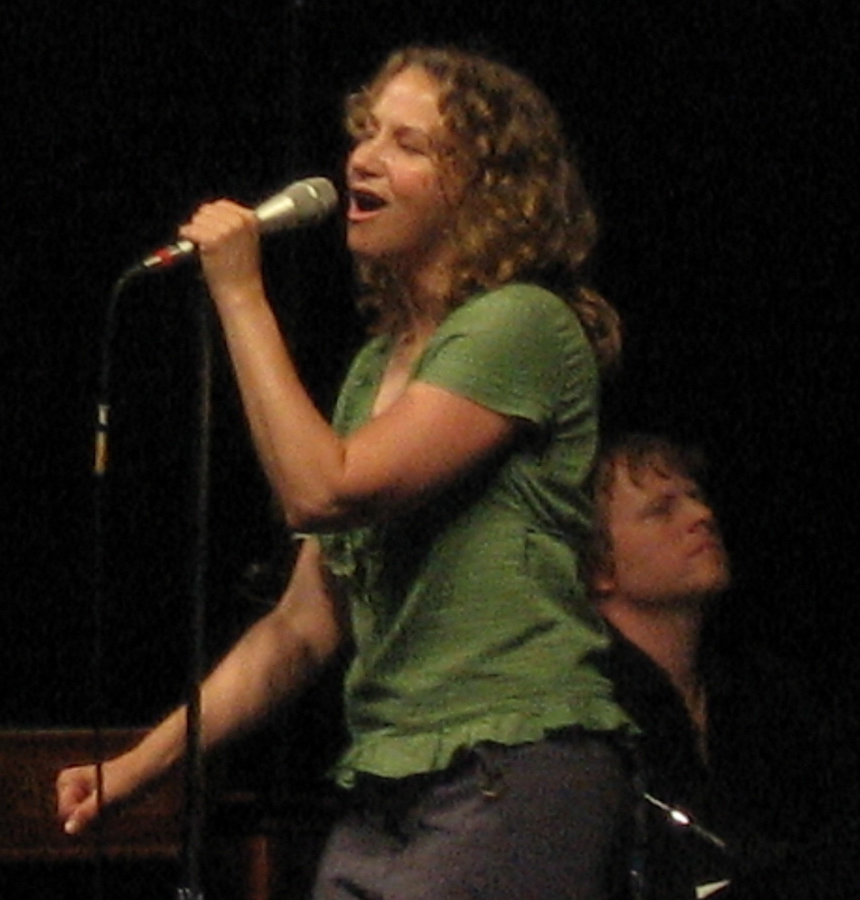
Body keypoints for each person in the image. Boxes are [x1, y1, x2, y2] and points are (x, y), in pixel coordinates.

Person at [58, 45, 637, 899]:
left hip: (508, 769)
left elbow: (324, 489)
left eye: (408, 143)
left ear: (486, 186)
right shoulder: (375, 371)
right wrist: (140, 766)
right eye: (366, 134)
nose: (363, 158)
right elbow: (301, 627)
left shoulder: (523, 324)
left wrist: (241, 294)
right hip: (389, 788)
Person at [589, 432, 860, 899]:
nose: (702, 516)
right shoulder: (589, 705)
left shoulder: (755, 685)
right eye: (662, 510)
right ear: (598, 565)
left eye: (696, 498)